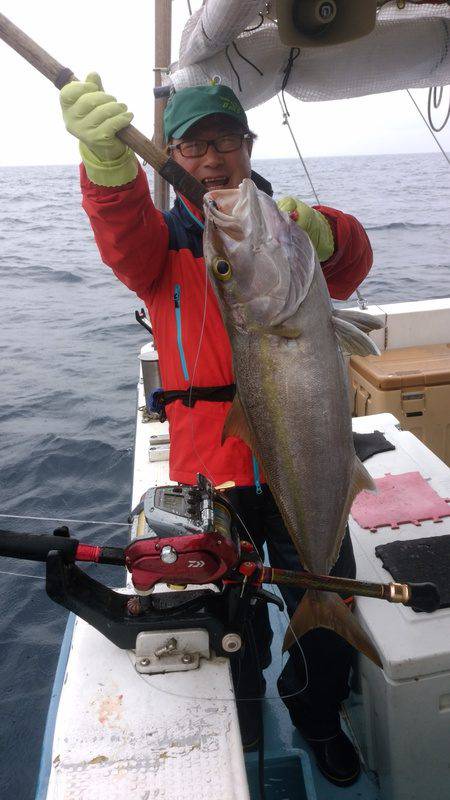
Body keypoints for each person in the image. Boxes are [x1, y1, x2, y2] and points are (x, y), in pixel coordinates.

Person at [60, 75, 373, 787]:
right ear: (172, 156)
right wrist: (109, 172)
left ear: (247, 147)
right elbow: (120, 233)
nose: (209, 158)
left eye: (224, 140)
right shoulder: (159, 249)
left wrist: (327, 231)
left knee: (332, 609)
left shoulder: (287, 228)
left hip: (307, 465)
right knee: (231, 629)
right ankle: (247, 720)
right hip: (212, 480)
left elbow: (350, 263)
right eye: (192, 145)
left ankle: (319, 715)